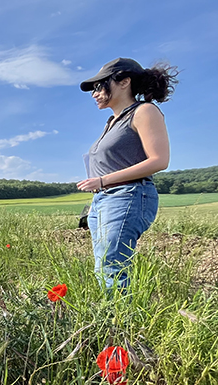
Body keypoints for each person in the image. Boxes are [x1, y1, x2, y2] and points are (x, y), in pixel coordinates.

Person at [77, 57, 178, 290]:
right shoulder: (112, 121)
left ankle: (118, 324)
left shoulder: (144, 111)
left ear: (124, 82)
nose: (95, 93)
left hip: (128, 195)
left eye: (100, 85)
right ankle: (115, 319)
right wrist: (97, 196)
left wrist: (103, 180)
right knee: (104, 266)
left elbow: (159, 160)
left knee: (111, 266)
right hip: (105, 198)